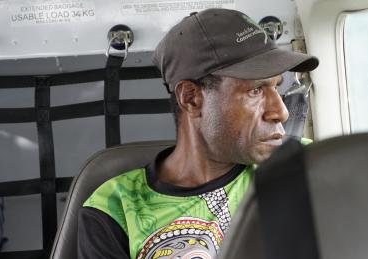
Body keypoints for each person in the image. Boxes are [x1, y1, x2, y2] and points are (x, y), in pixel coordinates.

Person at [77, 8, 318, 259]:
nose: (281, 111)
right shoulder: (114, 208)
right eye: (256, 90)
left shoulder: (305, 166)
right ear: (191, 99)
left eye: (277, 87)